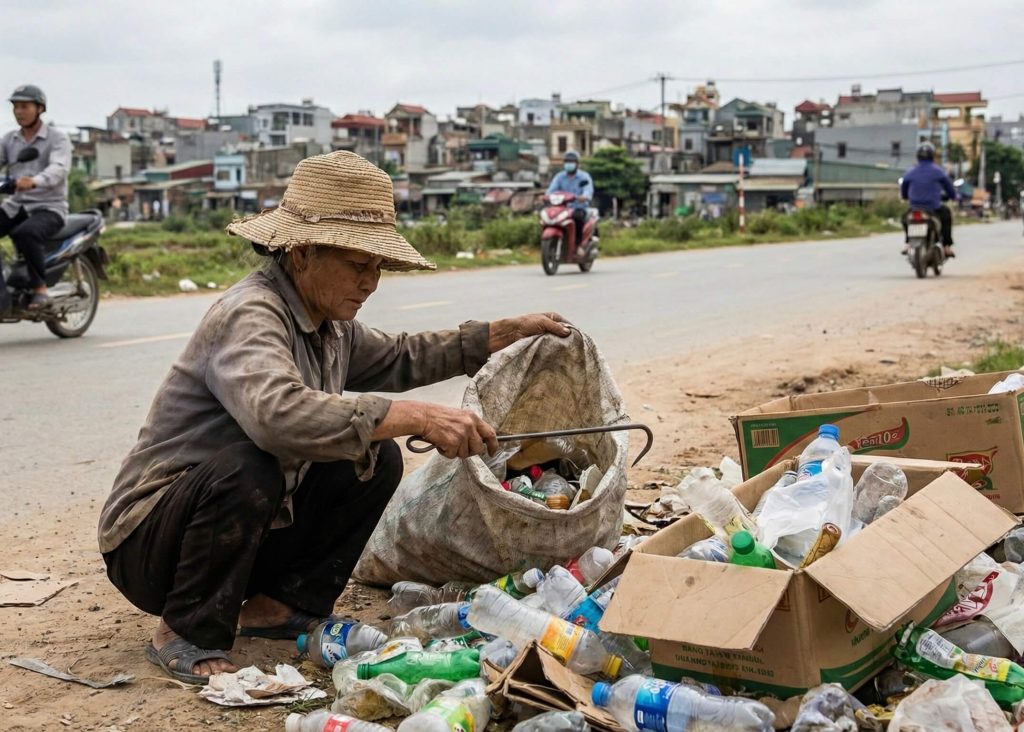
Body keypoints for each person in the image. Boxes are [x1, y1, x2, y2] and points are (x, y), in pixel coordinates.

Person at [98, 151, 572, 684]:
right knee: (252, 464)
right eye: (357, 265)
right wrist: (416, 415)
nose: (370, 282)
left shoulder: (330, 325)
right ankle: (185, 629)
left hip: (240, 529)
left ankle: (274, 606)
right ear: (301, 253)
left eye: (377, 268)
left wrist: (494, 335)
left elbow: (401, 356)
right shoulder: (251, 313)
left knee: (373, 456)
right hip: (150, 543)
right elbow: (277, 418)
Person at [0, 85, 71, 309]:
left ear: (39, 109)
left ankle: (40, 289)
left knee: (26, 233)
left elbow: (59, 168)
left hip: (48, 207)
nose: (19, 112)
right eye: (15, 107)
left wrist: (35, 180)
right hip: (16, 205)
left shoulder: (57, 138)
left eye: (24, 106)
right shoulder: (9, 139)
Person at [900, 142, 959, 258]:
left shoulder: (910, 172)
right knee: (946, 215)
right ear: (932, 155)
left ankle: (908, 243)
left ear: (918, 156)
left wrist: (905, 197)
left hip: (915, 207)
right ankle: (947, 247)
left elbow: (904, 189)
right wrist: (953, 196)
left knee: (904, 219)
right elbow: (949, 188)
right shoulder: (938, 171)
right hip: (934, 208)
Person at [546, 150, 596, 246]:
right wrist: (546, 196)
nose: (569, 164)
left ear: (577, 164)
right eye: (567, 162)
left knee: (578, 217)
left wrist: (584, 197)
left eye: (572, 162)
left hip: (579, 207)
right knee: (548, 216)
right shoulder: (559, 177)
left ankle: (579, 244)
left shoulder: (584, 177)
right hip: (562, 208)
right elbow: (551, 190)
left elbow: (588, 190)